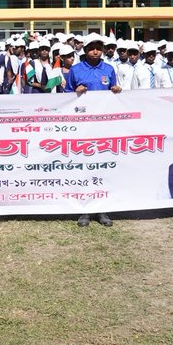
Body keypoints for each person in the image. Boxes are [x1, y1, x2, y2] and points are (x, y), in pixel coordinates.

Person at [66, 33, 123, 227]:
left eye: (99, 47)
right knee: (83, 167)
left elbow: (114, 94)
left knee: (103, 166)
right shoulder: (75, 70)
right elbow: (65, 98)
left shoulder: (108, 69)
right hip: (82, 127)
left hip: (103, 127)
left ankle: (102, 210)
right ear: (85, 49)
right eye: (92, 48)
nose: (96, 51)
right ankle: (85, 210)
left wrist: (116, 90)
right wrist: (75, 93)